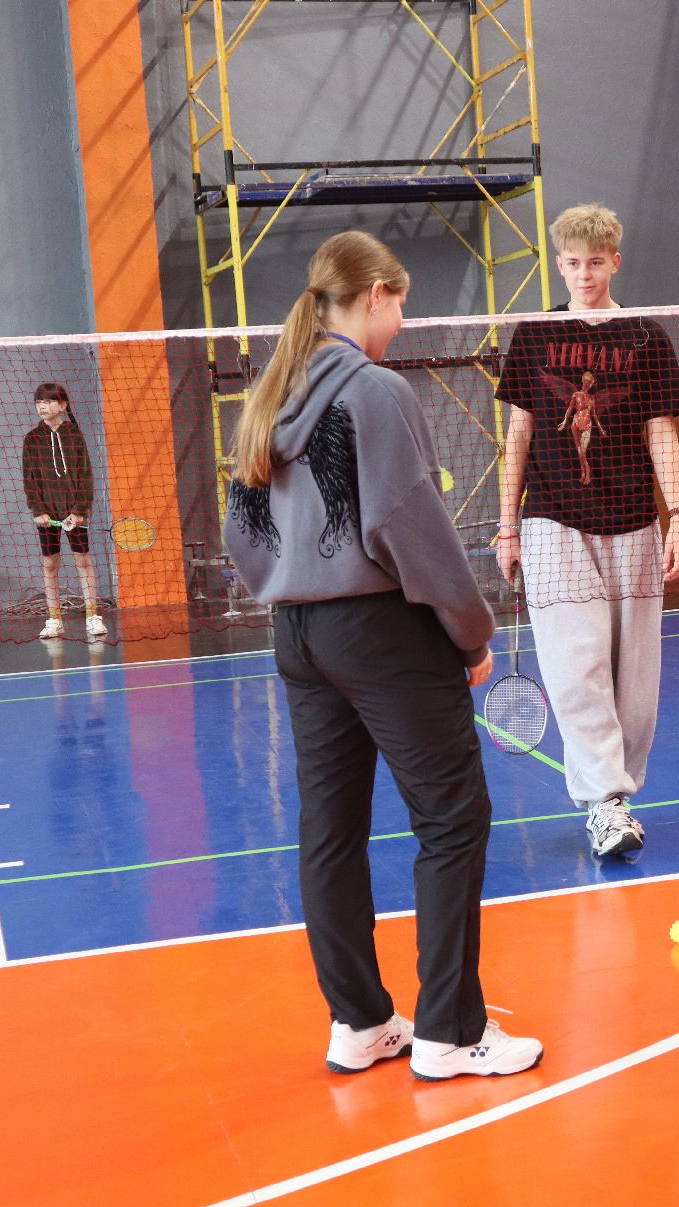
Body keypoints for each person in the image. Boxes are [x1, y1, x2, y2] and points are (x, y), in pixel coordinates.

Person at [224, 229, 543, 1082]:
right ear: (373, 297)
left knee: (329, 832)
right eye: (399, 304)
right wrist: (469, 633)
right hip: (380, 631)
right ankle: (450, 1032)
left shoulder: (271, 392)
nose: (401, 322)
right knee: (453, 820)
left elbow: (241, 529)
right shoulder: (374, 391)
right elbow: (412, 527)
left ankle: (360, 1023)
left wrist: (293, 580)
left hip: (297, 634)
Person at [493, 204, 679, 861]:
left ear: (615, 262)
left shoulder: (644, 337)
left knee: (635, 680)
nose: (584, 273)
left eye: (596, 262)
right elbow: (518, 433)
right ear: (560, 264)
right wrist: (507, 527)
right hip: (552, 523)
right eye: (574, 263)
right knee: (576, 667)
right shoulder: (534, 335)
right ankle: (605, 801)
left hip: (634, 520)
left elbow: (661, 431)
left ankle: (620, 796)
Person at [21, 382, 107, 641]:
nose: (42, 406)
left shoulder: (75, 435)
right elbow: (29, 479)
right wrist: (39, 511)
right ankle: (54, 620)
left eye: (47, 401)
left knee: (83, 561)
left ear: (62, 405)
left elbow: (85, 475)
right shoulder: (32, 439)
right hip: (46, 516)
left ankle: (92, 616)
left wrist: (79, 510)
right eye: (38, 402)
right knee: (50, 564)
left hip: (74, 513)